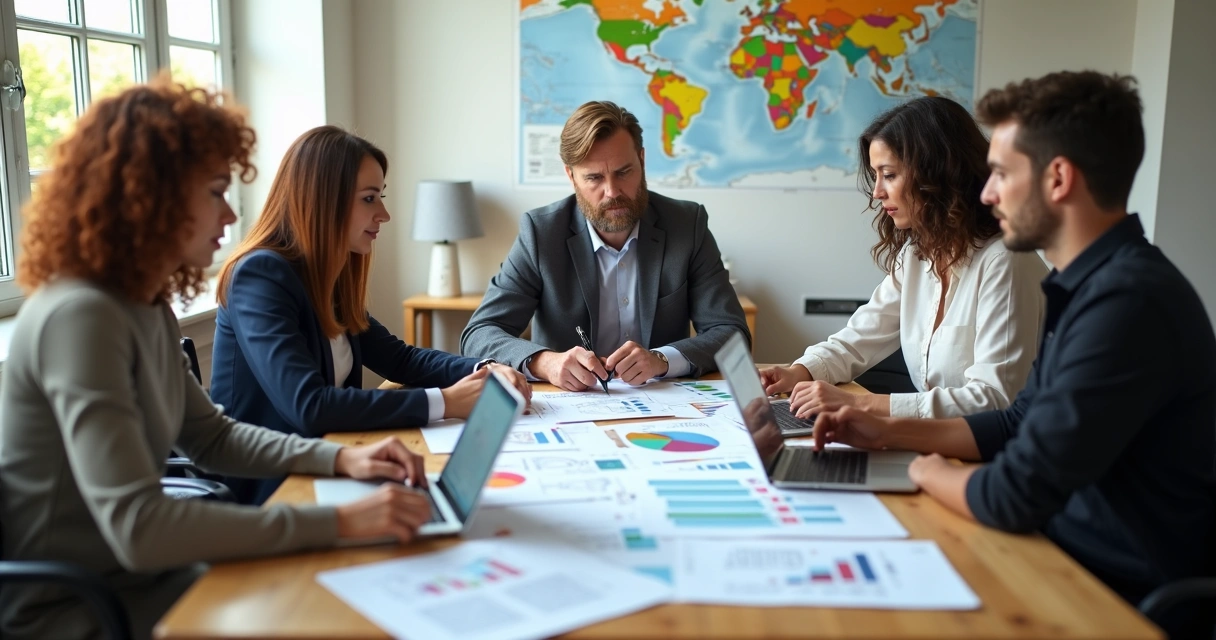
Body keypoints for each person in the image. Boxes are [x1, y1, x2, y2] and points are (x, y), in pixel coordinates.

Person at [0, 78, 436, 640]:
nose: (230, 216)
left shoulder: (145, 303)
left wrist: (342, 462)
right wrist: (339, 520)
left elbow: (213, 439)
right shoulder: (80, 316)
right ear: (148, 196)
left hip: (146, 577)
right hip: (80, 608)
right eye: (213, 192)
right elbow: (137, 525)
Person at [808, 71, 1215, 633]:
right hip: (1063, 548)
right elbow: (1017, 421)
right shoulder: (1090, 284)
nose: (987, 191)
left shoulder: (1128, 302)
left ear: (1058, 179)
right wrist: (890, 433)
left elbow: (1016, 491)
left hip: (1111, 586)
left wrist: (921, 468)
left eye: (1001, 173)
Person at [211, 126, 529, 504]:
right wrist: (446, 401)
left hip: (335, 464)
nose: (384, 214)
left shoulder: (326, 274)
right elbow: (309, 407)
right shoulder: (260, 275)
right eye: (369, 198)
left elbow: (400, 358)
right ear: (322, 199)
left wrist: (483, 369)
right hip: (272, 488)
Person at [760, 96, 1047, 420]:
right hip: (939, 441)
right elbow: (859, 339)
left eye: (890, 174)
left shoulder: (1005, 262)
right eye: (875, 175)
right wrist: (800, 371)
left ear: (937, 174)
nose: (877, 192)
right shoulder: (918, 254)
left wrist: (858, 404)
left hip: (993, 456)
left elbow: (995, 399)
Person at [461, 100, 750, 390]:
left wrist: (662, 359)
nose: (612, 192)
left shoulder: (687, 225)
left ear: (642, 160)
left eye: (623, 172)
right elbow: (479, 333)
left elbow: (731, 332)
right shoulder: (541, 234)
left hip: (663, 401)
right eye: (594, 178)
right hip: (569, 408)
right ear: (571, 176)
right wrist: (546, 362)